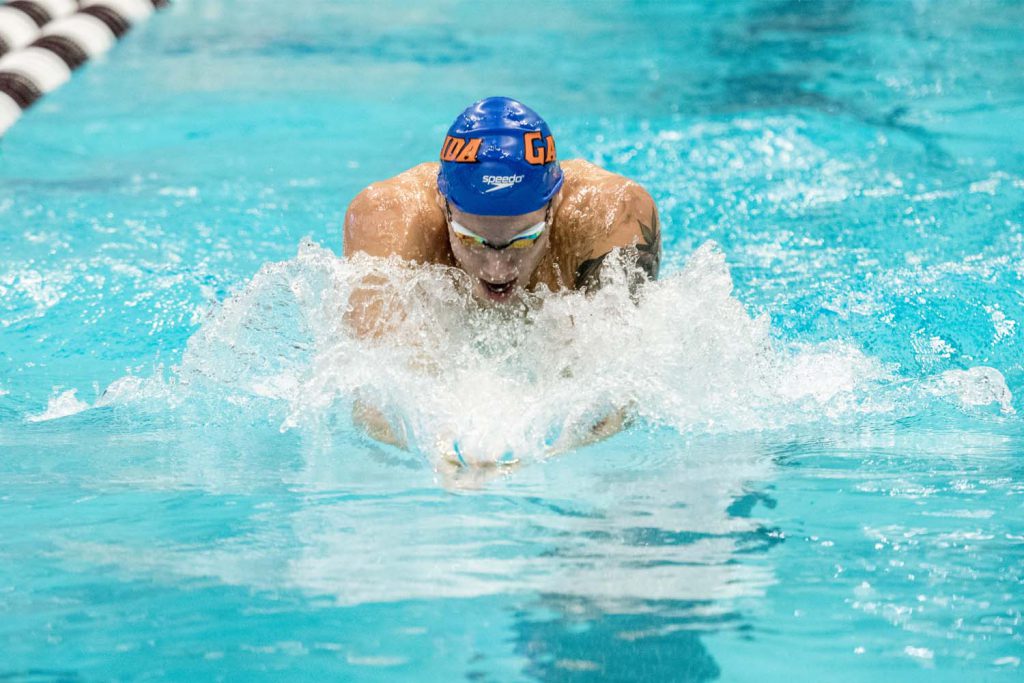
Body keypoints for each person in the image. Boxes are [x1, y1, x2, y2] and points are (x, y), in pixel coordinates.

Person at [343, 96, 661, 454]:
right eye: (470, 239)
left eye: (523, 240)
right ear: (443, 205)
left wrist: (544, 452)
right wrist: (438, 446)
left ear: (554, 205)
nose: (497, 269)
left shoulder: (612, 216)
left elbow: (619, 382)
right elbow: (377, 394)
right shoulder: (389, 220)